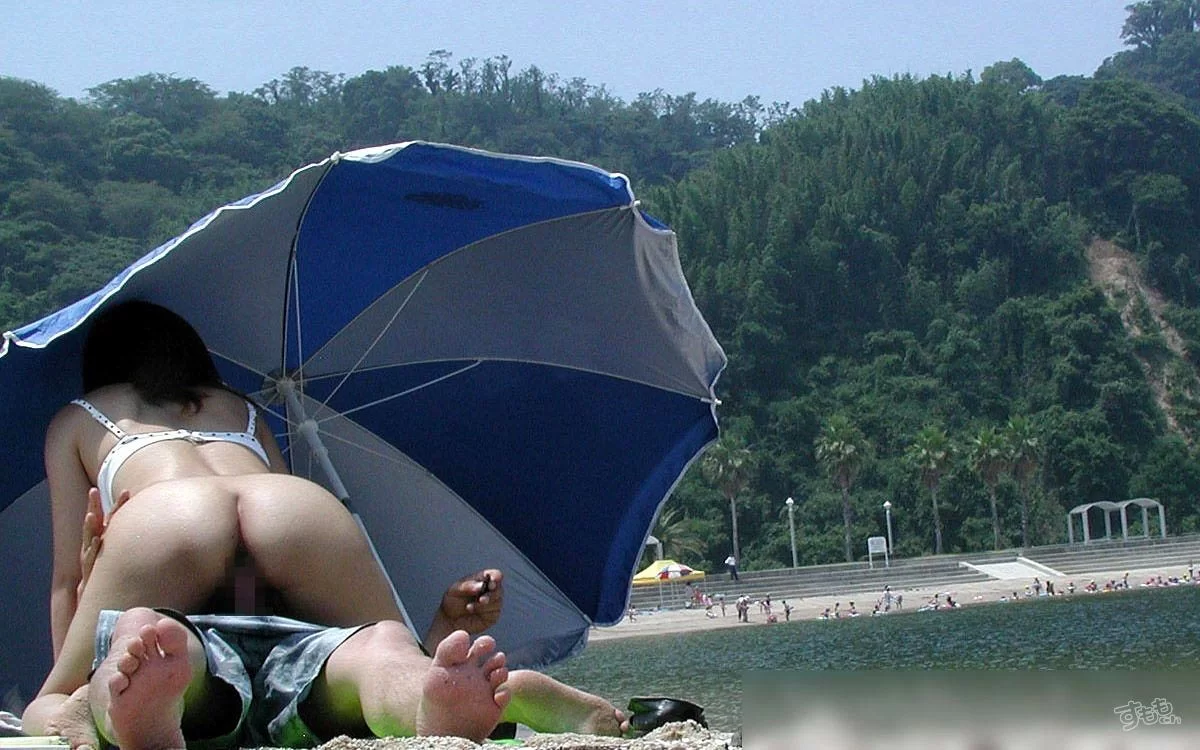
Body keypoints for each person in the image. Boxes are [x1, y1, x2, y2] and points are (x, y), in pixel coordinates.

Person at [23, 300, 627, 748]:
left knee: (82, 686)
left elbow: (64, 579)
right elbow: (258, 563)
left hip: (162, 517)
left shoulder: (78, 417)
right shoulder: (240, 409)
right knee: (381, 651)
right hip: (291, 507)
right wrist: (437, 627)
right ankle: (431, 694)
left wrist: (64, 676)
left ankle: (132, 681)